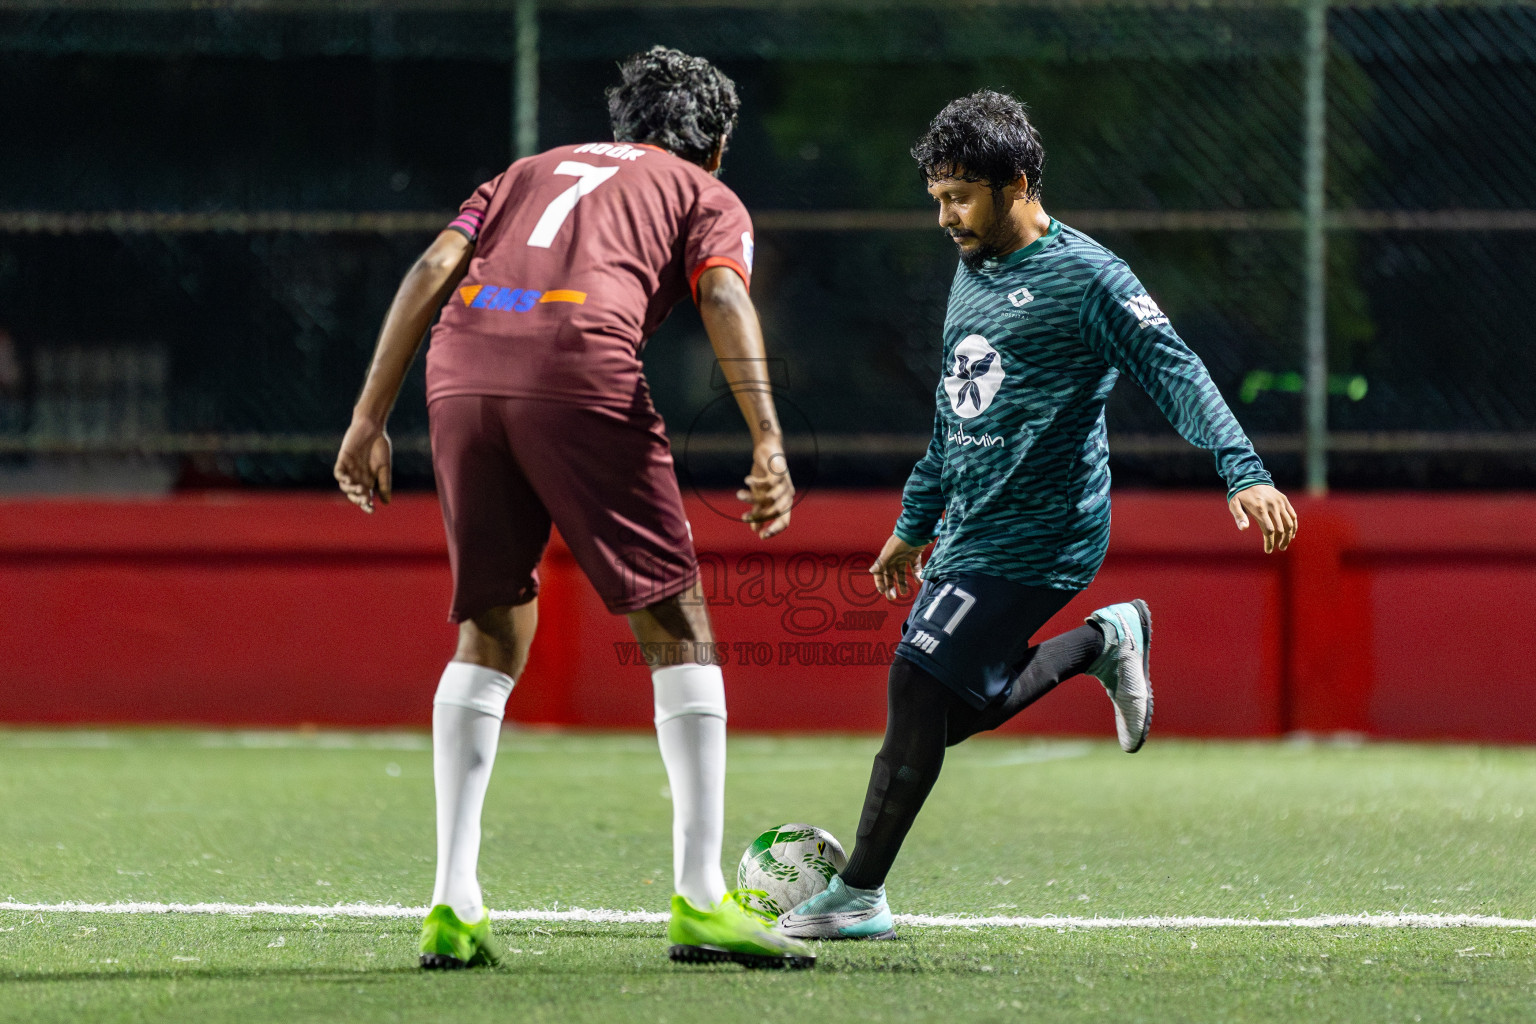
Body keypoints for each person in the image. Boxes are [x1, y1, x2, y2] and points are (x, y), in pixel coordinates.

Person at [777, 90, 1298, 941]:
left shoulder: (1089, 277)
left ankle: (861, 895)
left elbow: (1176, 368)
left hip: (1045, 529)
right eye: (938, 199)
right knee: (939, 713)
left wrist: (1242, 470)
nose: (945, 217)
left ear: (1017, 183)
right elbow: (956, 410)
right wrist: (917, 521)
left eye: (960, 198)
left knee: (915, 681)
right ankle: (1106, 639)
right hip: (971, 527)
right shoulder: (972, 267)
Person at [334, 46, 813, 970]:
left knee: (489, 630)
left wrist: (366, 418)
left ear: (623, 119)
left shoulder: (526, 169)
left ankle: (452, 902)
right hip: (581, 362)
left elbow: (436, 262)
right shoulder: (702, 190)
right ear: (714, 143)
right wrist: (768, 437)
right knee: (678, 621)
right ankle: (703, 901)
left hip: (460, 367)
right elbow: (719, 288)